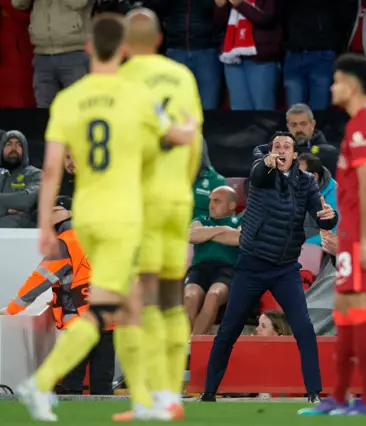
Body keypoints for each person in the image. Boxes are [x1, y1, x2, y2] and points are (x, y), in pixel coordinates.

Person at [16, 13, 196, 422]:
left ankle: (144, 401)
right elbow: (178, 138)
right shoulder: (134, 95)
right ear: (124, 50)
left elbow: (51, 172)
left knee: (128, 305)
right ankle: (42, 382)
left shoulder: (67, 99)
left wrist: (45, 225)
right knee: (107, 309)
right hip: (124, 216)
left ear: (86, 48)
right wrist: (184, 128)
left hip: (86, 217)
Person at [200, 131, 337, 403]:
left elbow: (322, 219)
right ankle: (208, 391)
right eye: (277, 146)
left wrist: (330, 217)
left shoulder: (307, 182)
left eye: (287, 146)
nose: (282, 150)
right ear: (271, 151)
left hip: (285, 268)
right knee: (229, 328)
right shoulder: (260, 170)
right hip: (251, 266)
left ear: (295, 155)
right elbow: (260, 174)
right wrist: (267, 163)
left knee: (303, 327)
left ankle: (313, 391)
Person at [299, 53, 366, 416]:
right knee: (346, 311)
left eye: (337, 80)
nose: (331, 87)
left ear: (353, 85)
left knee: (359, 310)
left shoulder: (361, 126)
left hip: (363, 233)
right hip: (363, 230)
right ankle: (339, 396)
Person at [115, 8, 203, 420]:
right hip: (176, 200)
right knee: (170, 298)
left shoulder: (123, 79)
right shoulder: (182, 76)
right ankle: (171, 395)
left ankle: (145, 396)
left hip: (142, 200)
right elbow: (194, 141)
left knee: (137, 297)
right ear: (160, 38)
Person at [2, 196, 115, 396]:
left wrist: (13, 308)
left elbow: (40, 280)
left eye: (55, 211)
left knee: (72, 379)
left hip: (81, 319)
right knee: (102, 380)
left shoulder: (65, 241)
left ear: (68, 213)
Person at [185, 186, 242, 335]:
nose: (211, 205)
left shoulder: (241, 220)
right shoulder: (201, 219)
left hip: (227, 268)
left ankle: (193, 344)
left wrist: (207, 234)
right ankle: (184, 345)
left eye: (217, 201)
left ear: (232, 205)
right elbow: (191, 236)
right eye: (211, 201)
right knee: (190, 297)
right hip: (199, 267)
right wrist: (223, 229)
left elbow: (238, 239)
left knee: (213, 295)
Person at [0, 130, 42, 228]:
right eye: (9, 144)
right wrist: (5, 209)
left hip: (24, 235)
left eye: (19, 144)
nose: (13, 148)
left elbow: (27, 201)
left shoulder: (36, 174)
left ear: (25, 150)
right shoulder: (1, 176)